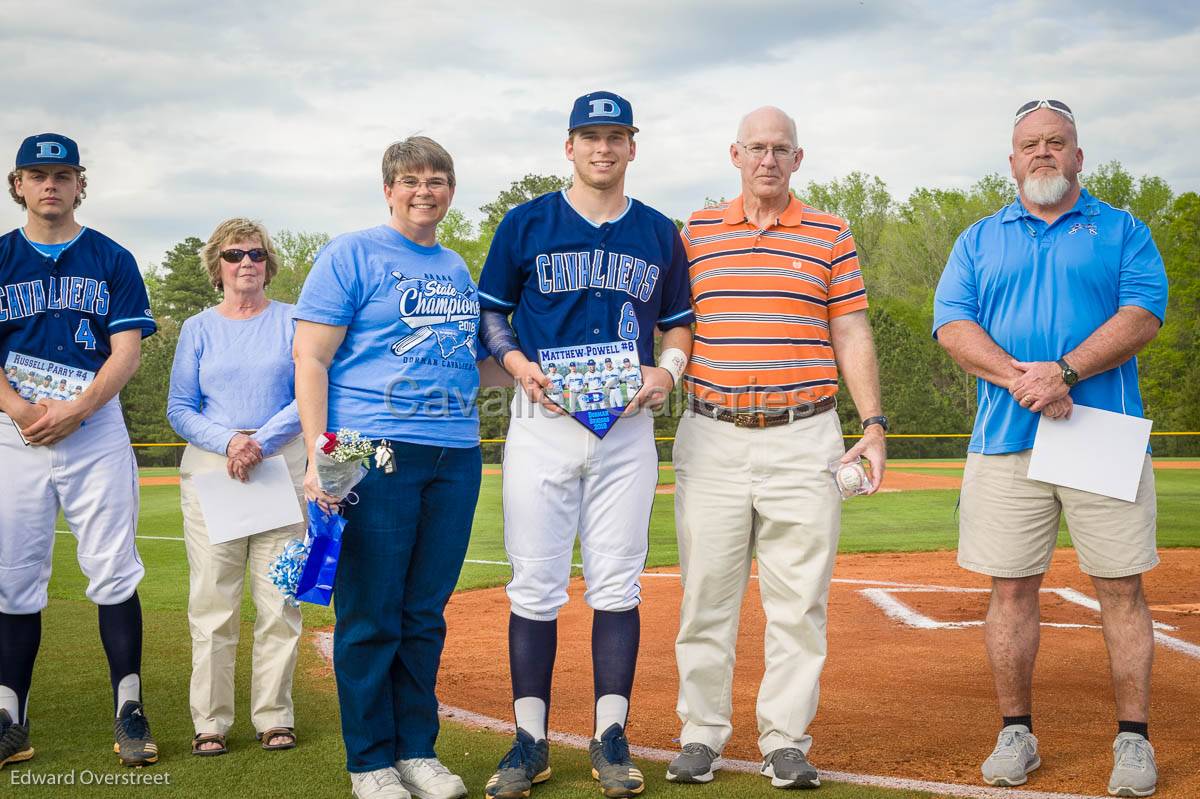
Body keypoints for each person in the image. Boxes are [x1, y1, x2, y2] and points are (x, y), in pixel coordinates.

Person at [933, 100, 1167, 797]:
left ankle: (1133, 741)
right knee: (1010, 591)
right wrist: (1028, 380)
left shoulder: (1122, 229)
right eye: (1029, 144)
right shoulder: (978, 238)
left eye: (1056, 142)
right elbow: (952, 324)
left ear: (1078, 156)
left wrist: (1066, 371)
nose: (1043, 152)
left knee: (1122, 590)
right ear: (1012, 160)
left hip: (1102, 432)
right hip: (1008, 436)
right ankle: (1017, 731)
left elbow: (1143, 314)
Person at [477, 90, 694, 799]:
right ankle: (530, 740)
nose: (603, 148)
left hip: (628, 428)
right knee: (535, 585)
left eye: (616, 136)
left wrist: (669, 369)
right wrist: (514, 363)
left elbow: (678, 324)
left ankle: (610, 736)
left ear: (633, 146)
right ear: (569, 146)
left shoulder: (659, 231)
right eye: (590, 136)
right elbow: (493, 316)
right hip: (543, 422)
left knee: (616, 585)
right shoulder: (527, 222)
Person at [667, 107, 888, 790]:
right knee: (707, 594)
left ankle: (785, 739)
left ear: (798, 158)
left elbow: (849, 331)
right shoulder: (695, 232)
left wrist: (873, 422)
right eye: (756, 147)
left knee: (800, 600)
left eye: (781, 149)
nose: (768, 159)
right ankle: (701, 734)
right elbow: (668, 328)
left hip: (806, 432)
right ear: (735, 154)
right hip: (711, 431)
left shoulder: (829, 231)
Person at [293, 136, 481, 799]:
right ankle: (369, 761)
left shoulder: (458, 267)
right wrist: (321, 454)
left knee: (424, 611)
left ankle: (416, 750)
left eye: (436, 179)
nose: (424, 190)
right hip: (368, 448)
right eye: (411, 180)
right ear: (388, 189)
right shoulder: (351, 254)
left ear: (451, 191)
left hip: (455, 450)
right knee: (371, 611)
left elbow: (474, 357)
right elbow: (310, 358)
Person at [0, 133, 159, 768]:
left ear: (79, 184)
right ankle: (10, 715)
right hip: (15, 433)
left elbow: (127, 351)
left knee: (114, 570)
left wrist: (78, 408)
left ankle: (129, 708)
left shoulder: (111, 257)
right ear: (17, 185)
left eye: (62, 175)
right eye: (36, 175)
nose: (49, 186)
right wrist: (17, 408)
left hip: (94, 432)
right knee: (13, 576)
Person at [166, 218, 306, 757]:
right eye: (232, 255)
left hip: (281, 466)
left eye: (255, 253)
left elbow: (308, 389)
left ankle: (274, 716)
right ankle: (211, 723)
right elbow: (180, 407)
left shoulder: (294, 321)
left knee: (278, 602)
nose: (245, 262)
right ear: (216, 266)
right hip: (212, 471)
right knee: (213, 603)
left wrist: (260, 442)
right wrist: (229, 442)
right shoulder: (198, 327)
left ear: (268, 263)